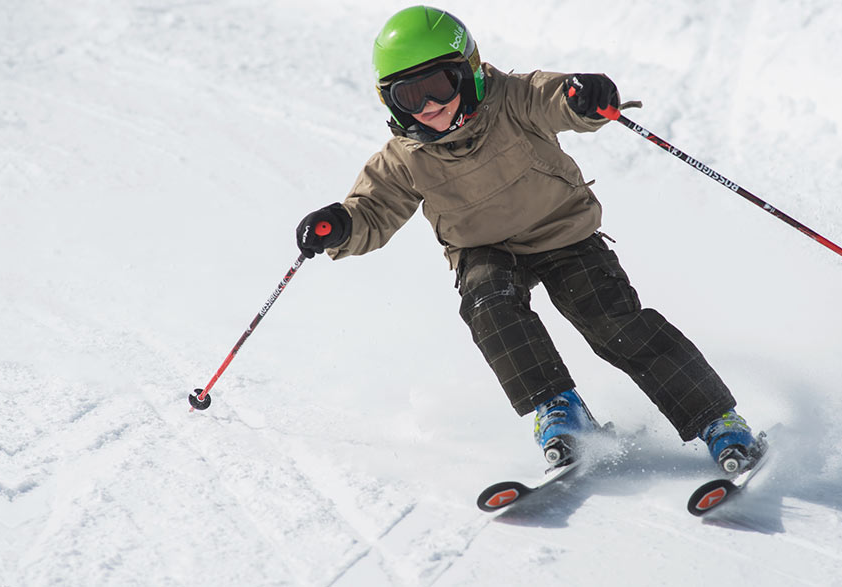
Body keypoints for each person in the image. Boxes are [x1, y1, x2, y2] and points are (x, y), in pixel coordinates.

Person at [295, 6, 759, 473]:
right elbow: (372, 209)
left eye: (439, 86)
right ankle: (559, 407)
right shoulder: (404, 157)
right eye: (409, 96)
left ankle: (716, 419)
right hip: (482, 248)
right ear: (390, 102)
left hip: (562, 231)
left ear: (469, 73)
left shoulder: (512, 99)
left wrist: (583, 96)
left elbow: (554, 97)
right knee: (488, 304)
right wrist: (342, 225)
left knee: (612, 321)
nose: (429, 106)